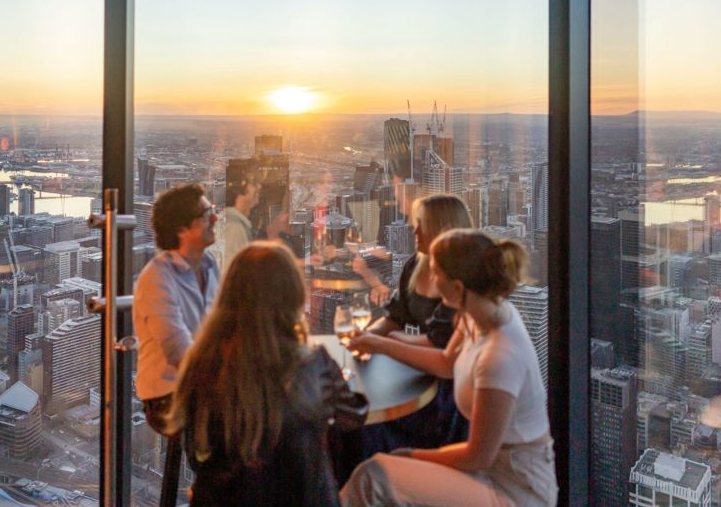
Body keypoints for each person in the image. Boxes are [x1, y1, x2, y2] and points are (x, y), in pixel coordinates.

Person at [341, 230, 558, 507]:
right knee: (376, 469)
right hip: (488, 471)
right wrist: (383, 342)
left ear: (457, 287)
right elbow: (446, 363)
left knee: (374, 475)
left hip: (515, 489)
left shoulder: (500, 357)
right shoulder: (477, 316)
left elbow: (478, 457)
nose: (430, 280)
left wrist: (410, 455)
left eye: (436, 273)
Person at [167, 241, 368, 507]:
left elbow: (195, 453)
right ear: (293, 296)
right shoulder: (313, 364)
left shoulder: (200, 363)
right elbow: (352, 418)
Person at [352, 194, 473, 452]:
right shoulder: (415, 266)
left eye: (422, 224)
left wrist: (382, 343)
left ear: (443, 229)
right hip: (416, 371)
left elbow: (440, 350)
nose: (414, 230)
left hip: (446, 394)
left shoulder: (457, 282)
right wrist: (362, 338)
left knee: (367, 428)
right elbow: (396, 317)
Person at [132, 183, 220, 506]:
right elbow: (178, 353)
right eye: (208, 213)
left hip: (204, 384)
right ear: (183, 229)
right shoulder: (157, 278)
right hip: (167, 398)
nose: (216, 218)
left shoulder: (211, 268)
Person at [223, 175, 259, 272]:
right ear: (240, 198)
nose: (257, 201)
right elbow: (232, 270)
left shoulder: (232, 223)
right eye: (254, 195)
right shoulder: (234, 227)